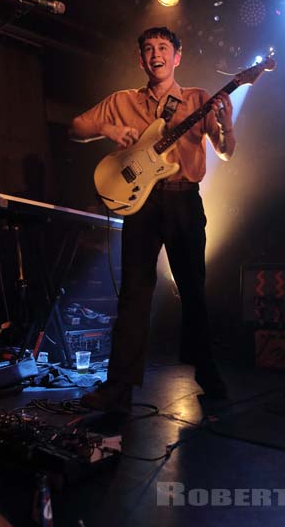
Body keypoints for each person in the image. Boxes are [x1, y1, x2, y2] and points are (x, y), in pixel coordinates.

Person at [71, 26, 235, 412]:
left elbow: (226, 152)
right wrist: (108, 128)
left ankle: (207, 374)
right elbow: (76, 127)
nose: (155, 54)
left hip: (183, 201)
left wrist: (226, 123)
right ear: (140, 59)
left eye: (163, 48)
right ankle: (118, 388)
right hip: (140, 205)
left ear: (177, 57)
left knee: (193, 289)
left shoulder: (198, 99)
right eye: (148, 49)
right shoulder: (122, 100)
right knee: (133, 294)